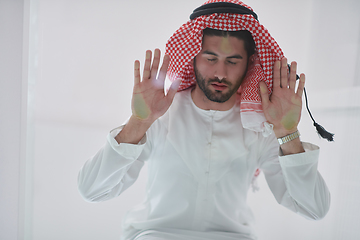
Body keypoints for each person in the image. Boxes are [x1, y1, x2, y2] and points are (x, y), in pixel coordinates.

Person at [78, 1, 330, 239]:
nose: (221, 72)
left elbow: (314, 209)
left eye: (233, 61)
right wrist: (138, 123)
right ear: (193, 58)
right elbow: (92, 191)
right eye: (211, 59)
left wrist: (288, 133)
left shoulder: (259, 127)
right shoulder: (160, 115)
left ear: (248, 65)